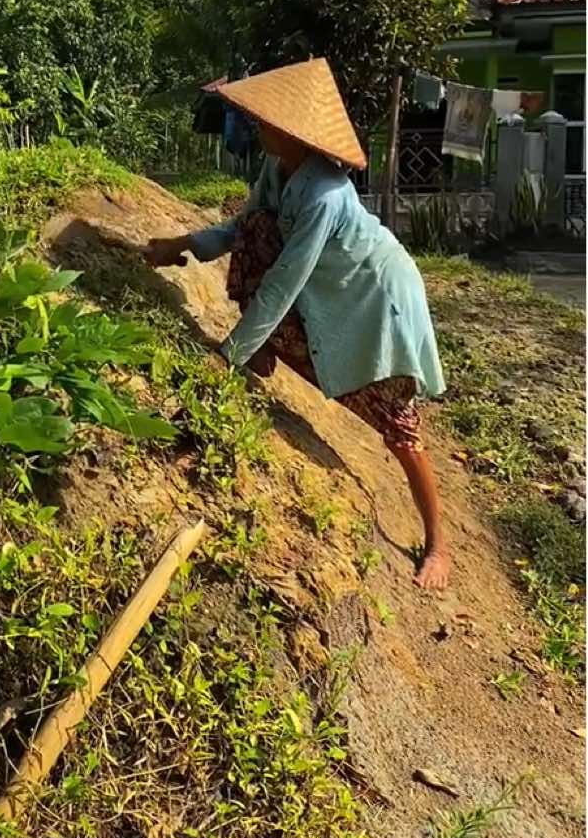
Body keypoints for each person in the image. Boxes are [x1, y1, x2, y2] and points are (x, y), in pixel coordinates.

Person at [144, 59, 450, 590]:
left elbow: (285, 280)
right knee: (257, 229)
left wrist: (227, 356)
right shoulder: (277, 172)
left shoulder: (325, 195)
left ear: (294, 131)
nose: (257, 127)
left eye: (265, 122)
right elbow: (241, 231)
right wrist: (184, 245)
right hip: (331, 289)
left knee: (397, 423)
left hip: (380, 297)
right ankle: (264, 351)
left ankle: (439, 545)